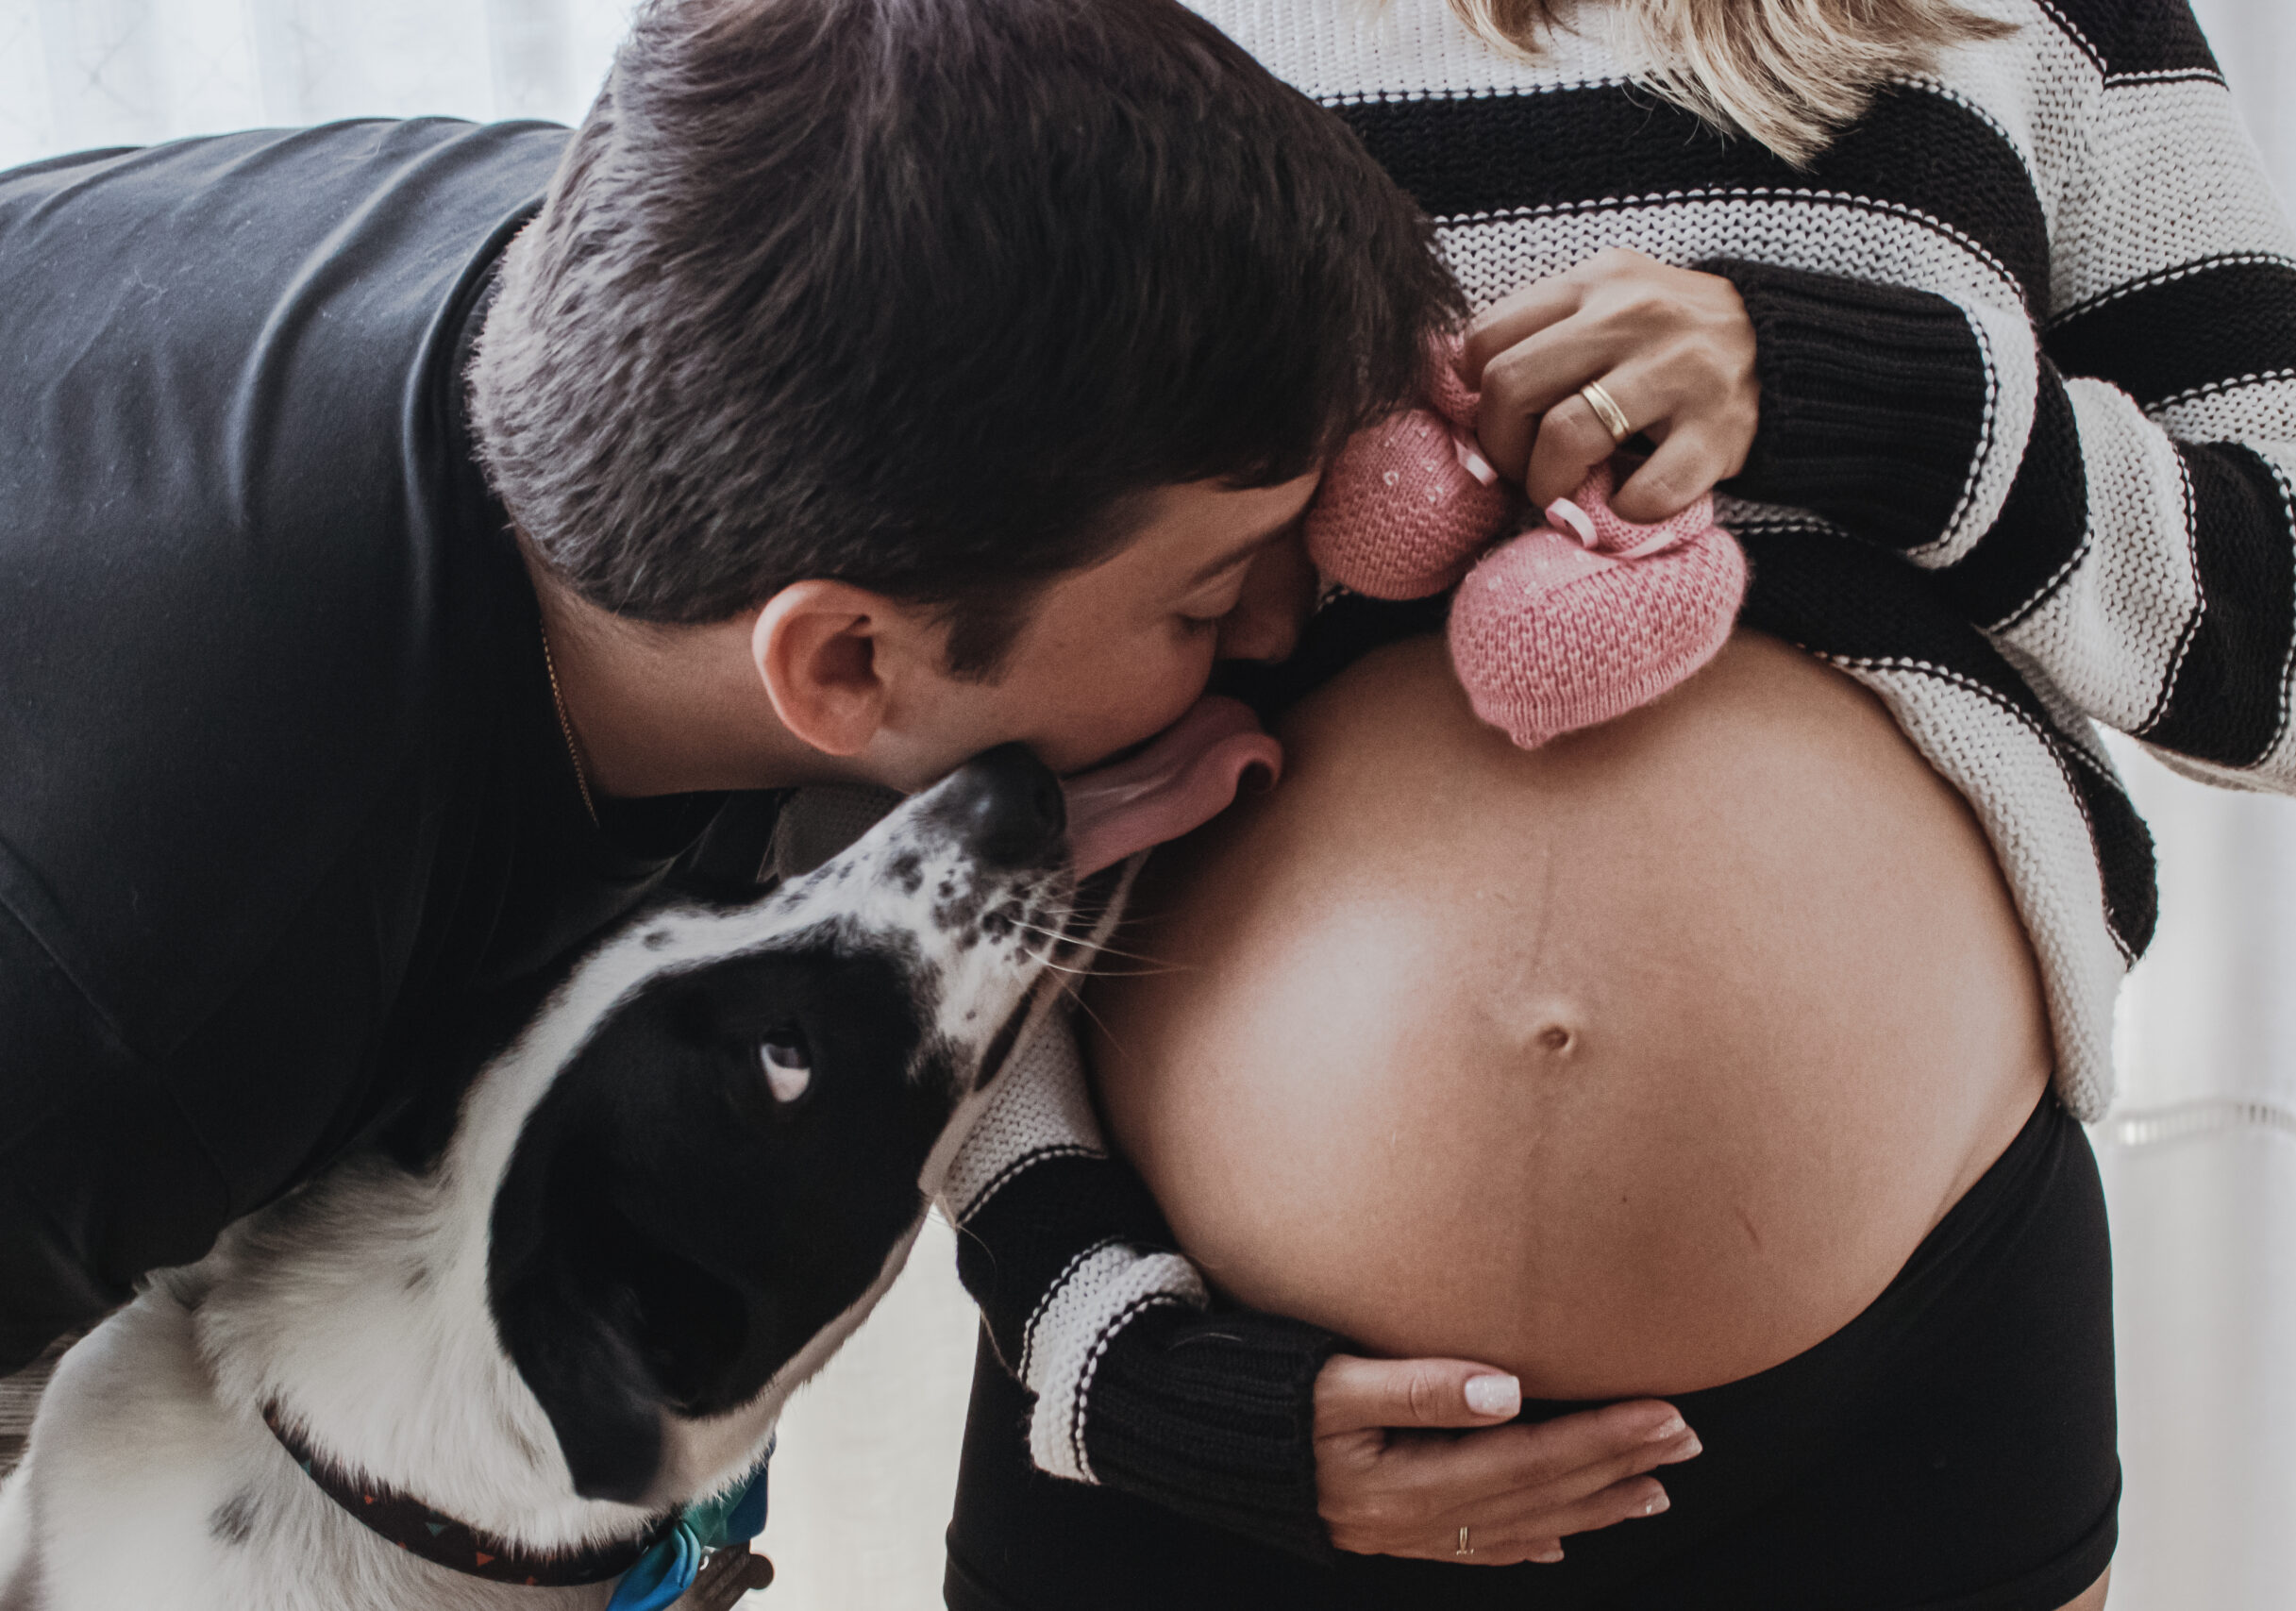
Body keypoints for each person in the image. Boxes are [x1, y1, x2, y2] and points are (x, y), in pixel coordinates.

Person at [936, 0, 2296, 1606]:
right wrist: (1088, 1322)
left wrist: (1900, 411)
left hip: (1902, 1396)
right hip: (1205, 1392)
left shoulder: (2038, 20)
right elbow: (882, 742)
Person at [0, 0, 1475, 1385]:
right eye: (1207, 598)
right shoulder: (156, 1011)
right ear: (842, 662)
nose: (1284, 623)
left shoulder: (734, 252)